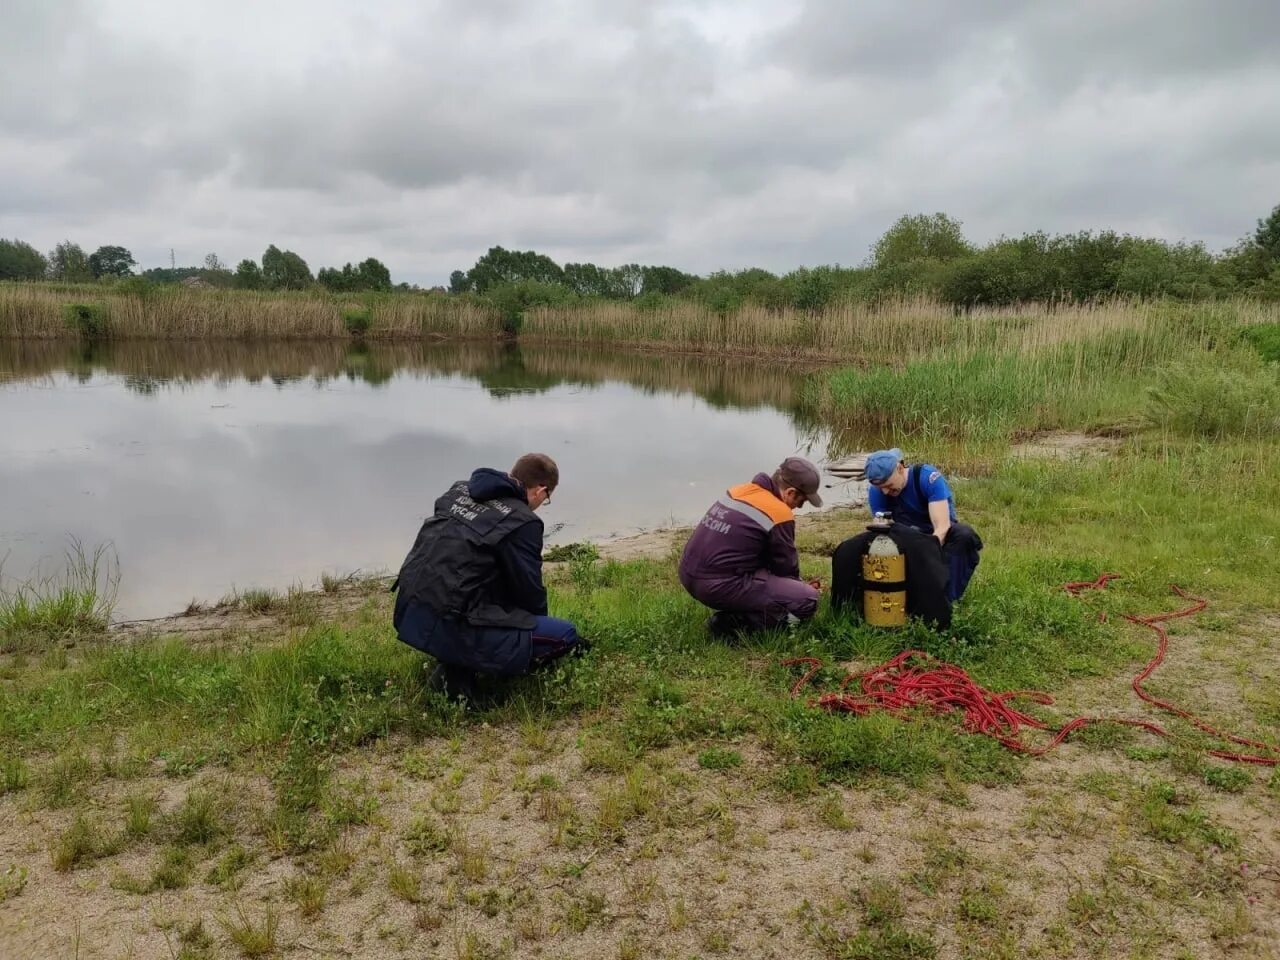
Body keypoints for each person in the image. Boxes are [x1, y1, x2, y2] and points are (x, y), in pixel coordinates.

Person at [392, 453, 584, 703]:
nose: (542, 503)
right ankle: (454, 677)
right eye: (547, 499)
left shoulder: (459, 491)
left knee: (491, 592)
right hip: (448, 621)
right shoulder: (523, 521)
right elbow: (530, 594)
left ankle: (455, 660)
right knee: (564, 635)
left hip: (409, 610)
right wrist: (531, 631)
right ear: (541, 491)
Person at [679, 457, 824, 636]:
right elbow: (785, 569)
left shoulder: (738, 491)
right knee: (807, 599)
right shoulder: (779, 512)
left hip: (687, 575)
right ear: (790, 492)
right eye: (801, 502)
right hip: (717, 586)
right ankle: (734, 624)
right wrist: (801, 588)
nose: (799, 507)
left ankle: (741, 611)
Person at [862, 448, 982, 602]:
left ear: (899, 468)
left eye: (888, 485)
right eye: (880, 487)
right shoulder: (877, 492)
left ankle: (947, 600)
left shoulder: (928, 478)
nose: (885, 492)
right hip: (908, 539)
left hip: (938, 538)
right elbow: (883, 532)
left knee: (964, 535)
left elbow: (942, 527)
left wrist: (926, 555)